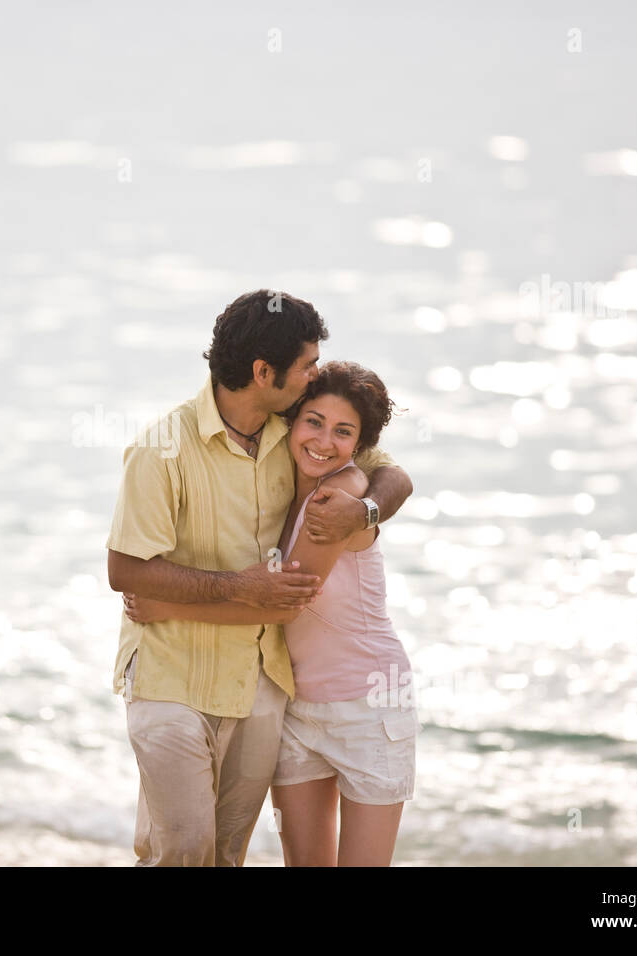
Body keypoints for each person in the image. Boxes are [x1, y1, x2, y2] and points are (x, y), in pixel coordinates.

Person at [106, 291, 413, 866]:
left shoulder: (295, 432)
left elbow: (389, 471)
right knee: (183, 849)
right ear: (263, 372)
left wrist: (366, 512)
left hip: (264, 688)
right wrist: (232, 588)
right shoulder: (162, 448)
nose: (315, 375)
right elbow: (125, 570)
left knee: (225, 854)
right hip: (173, 678)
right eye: (306, 366)